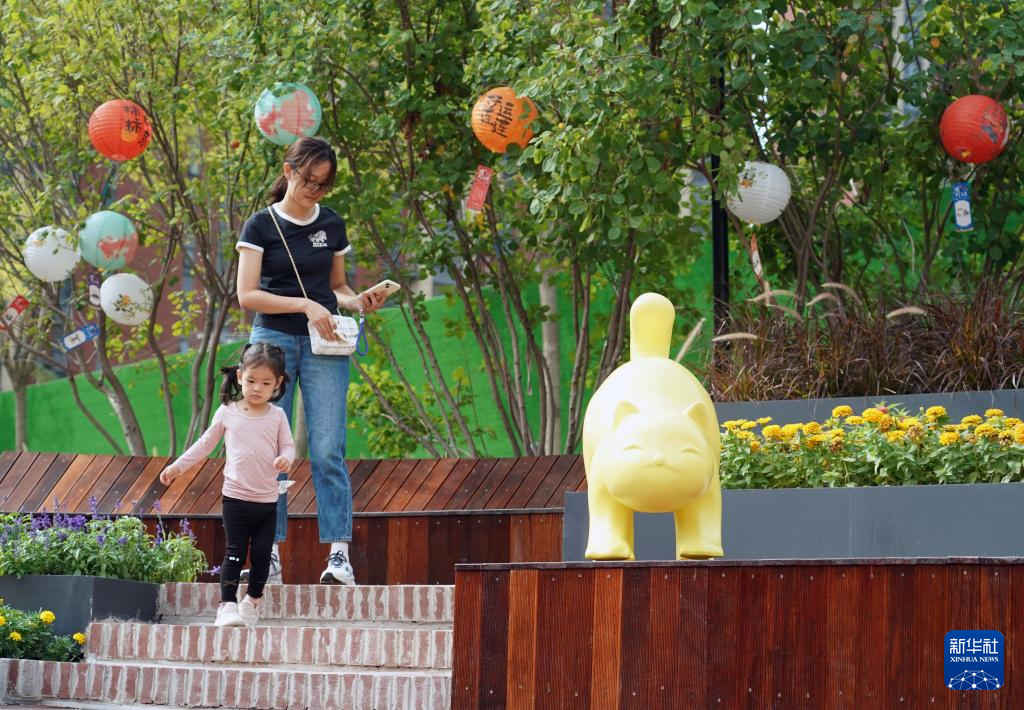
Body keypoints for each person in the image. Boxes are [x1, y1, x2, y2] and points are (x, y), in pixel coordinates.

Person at [235, 136, 391, 585]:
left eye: (323, 184)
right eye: (309, 180)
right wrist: (305, 305)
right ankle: (269, 554)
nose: (314, 191)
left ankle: (339, 556)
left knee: (327, 448)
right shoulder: (260, 226)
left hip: (326, 342)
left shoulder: (333, 224)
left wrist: (357, 301)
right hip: (273, 343)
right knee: (270, 449)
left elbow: (337, 287)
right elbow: (247, 295)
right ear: (288, 171)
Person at [160, 343, 294, 628]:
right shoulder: (228, 412)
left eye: (266, 383)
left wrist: (286, 459)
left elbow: (288, 446)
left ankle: (252, 601)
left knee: (262, 556)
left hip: (268, 503)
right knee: (234, 552)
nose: (257, 388)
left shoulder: (277, 416)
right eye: (251, 381)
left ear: (278, 383)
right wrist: (177, 467)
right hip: (236, 499)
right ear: (239, 376)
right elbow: (205, 444)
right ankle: (227, 605)